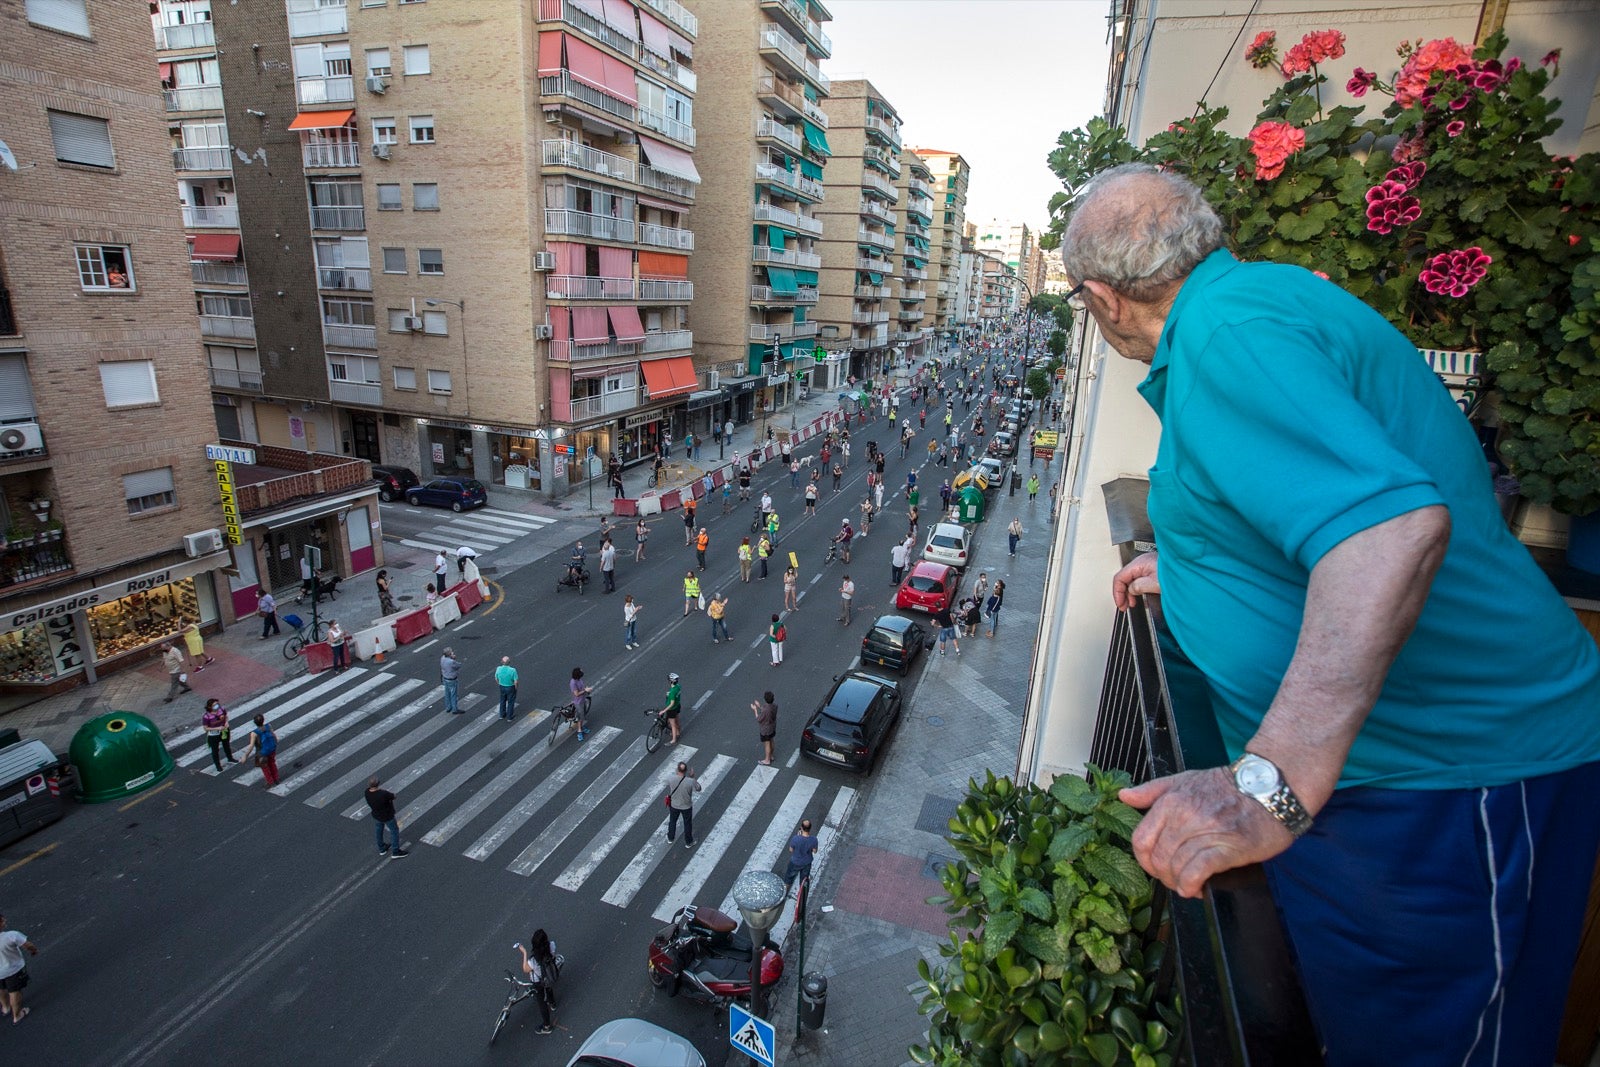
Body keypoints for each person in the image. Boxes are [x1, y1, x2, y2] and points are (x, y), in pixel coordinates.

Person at [1064, 163, 1600, 1066]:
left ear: (1101, 297)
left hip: (1442, 794)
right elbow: (1296, 496)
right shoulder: (1252, 306)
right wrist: (1196, 566)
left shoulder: (1230, 336)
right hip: (1393, 789)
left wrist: (1268, 789)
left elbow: (1390, 532)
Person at [515, 929, 559, 1035]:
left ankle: (546, 1026)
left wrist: (524, 952)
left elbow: (526, 969)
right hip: (549, 976)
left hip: (538, 982)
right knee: (548, 989)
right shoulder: (551, 946)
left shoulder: (534, 960)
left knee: (541, 1003)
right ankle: (552, 1003)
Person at [0, 914, 39, 1025]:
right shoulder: (11, 935)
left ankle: (5, 1007)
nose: (4, 920)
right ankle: (17, 1015)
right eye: (2, 920)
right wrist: (33, 950)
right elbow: (28, 945)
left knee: (1, 989)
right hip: (13, 970)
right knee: (14, 991)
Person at [365, 777, 409, 858]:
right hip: (387, 816)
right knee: (394, 831)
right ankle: (396, 851)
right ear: (378, 784)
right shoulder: (383, 794)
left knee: (379, 830)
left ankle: (382, 848)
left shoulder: (367, 792)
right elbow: (394, 796)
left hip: (376, 815)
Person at [665, 762, 701, 848]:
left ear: (677, 769)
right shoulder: (690, 781)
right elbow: (698, 788)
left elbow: (666, 782)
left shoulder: (671, 778)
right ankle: (689, 842)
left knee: (672, 821)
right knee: (687, 824)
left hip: (674, 805)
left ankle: (670, 838)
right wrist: (692, 777)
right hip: (686, 806)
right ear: (686, 771)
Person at [241, 713, 280, 786]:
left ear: (254, 722)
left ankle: (270, 782)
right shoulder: (268, 726)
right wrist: (276, 741)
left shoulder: (254, 733)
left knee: (265, 767)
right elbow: (274, 735)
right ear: (263, 720)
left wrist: (245, 756)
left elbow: (251, 746)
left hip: (262, 752)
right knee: (272, 764)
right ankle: (276, 779)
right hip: (271, 749)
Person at [201, 699, 239, 772]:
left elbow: (226, 717)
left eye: (217, 704)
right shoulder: (206, 716)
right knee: (215, 750)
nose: (217, 706)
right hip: (214, 734)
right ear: (209, 707)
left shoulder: (222, 709)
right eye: (214, 705)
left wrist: (226, 722)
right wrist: (217, 728)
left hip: (224, 731)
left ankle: (230, 757)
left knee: (226, 745)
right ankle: (218, 765)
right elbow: (205, 728)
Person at [783, 819, 818, 887]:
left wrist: (798, 837)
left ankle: (785, 894)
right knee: (803, 882)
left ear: (801, 828)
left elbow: (791, 850)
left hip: (795, 862)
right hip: (806, 863)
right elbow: (815, 851)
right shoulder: (814, 839)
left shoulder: (795, 838)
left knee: (788, 879)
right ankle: (802, 895)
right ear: (810, 828)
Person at [752, 691, 777, 766]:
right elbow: (767, 711)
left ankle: (767, 760)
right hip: (772, 726)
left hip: (766, 729)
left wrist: (755, 710)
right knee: (772, 740)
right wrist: (759, 706)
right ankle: (771, 756)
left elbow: (759, 719)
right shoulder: (775, 706)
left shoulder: (766, 710)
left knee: (767, 743)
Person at [568, 668, 592, 740]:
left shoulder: (579, 679)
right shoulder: (573, 683)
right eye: (581, 672)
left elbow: (582, 688)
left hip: (583, 700)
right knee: (580, 717)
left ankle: (581, 727)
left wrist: (585, 689)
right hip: (578, 702)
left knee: (582, 715)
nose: (582, 672)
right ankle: (579, 731)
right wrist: (585, 690)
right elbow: (577, 694)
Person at [495, 656, 519, 721]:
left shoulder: (498, 668)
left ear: (502, 662)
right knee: (511, 702)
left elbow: (496, 678)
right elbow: (516, 681)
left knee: (502, 700)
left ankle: (502, 715)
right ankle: (509, 717)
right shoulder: (513, 670)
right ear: (509, 662)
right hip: (510, 687)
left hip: (502, 686)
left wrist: (499, 684)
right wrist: (516, 688)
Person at [661, 672, 683, 744]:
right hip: (677, 706)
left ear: (671, 681)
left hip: (672, 709)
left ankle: (673, 740)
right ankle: (678, 732)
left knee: (672, 724)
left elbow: (671, 703)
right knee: (677, 721)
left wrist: (664, 711)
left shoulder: (672, 692)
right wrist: (669, 694)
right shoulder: (678, 687)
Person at [440, 647, 462, 713]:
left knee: (447, 693)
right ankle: (454, 709)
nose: (453, 652)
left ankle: (448, 707)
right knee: (453, 694)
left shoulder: (442, 658)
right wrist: (454, 658)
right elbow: (458, 666)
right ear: (449, 654)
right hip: (452, 680)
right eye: (451, 652)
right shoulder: (451, 662)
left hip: (445, 678)